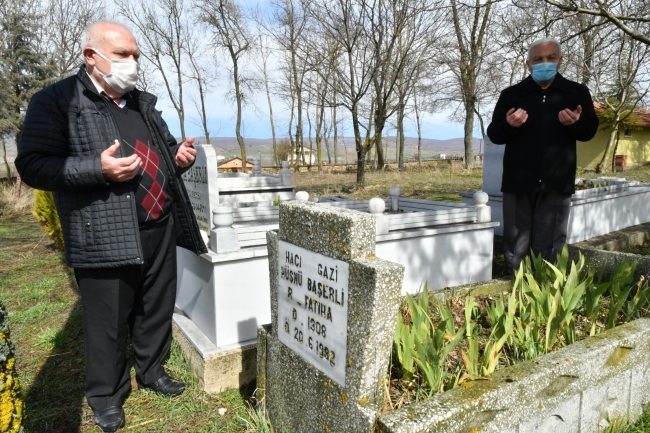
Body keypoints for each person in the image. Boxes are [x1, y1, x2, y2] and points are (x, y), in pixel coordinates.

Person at [16, 21, 207, 432]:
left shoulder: (141, 102)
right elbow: (31, 164)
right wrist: (96, 168)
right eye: (122, 55)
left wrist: (178, 158)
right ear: (91, 56)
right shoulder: (57, 101)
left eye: (136, 55)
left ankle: (152, 370)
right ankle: (106, 394)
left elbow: (164, 148)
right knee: (106, 319)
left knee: (155, 307)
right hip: (103, 231)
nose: (132, 63)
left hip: (159, 223)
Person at [486, 38, 599, 274]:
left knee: (551, 243)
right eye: (538, 59)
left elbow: (588, 132)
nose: (544, 63)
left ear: (559, 60)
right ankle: (514, 285)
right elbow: (495, 135)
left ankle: (547, 288)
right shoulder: (512, 95)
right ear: (528, 64)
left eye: (550, 58)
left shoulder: (576, 92)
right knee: (516, 242)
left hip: (557, 181)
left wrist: (575, 124)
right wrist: (509, 125)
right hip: (518, 181)